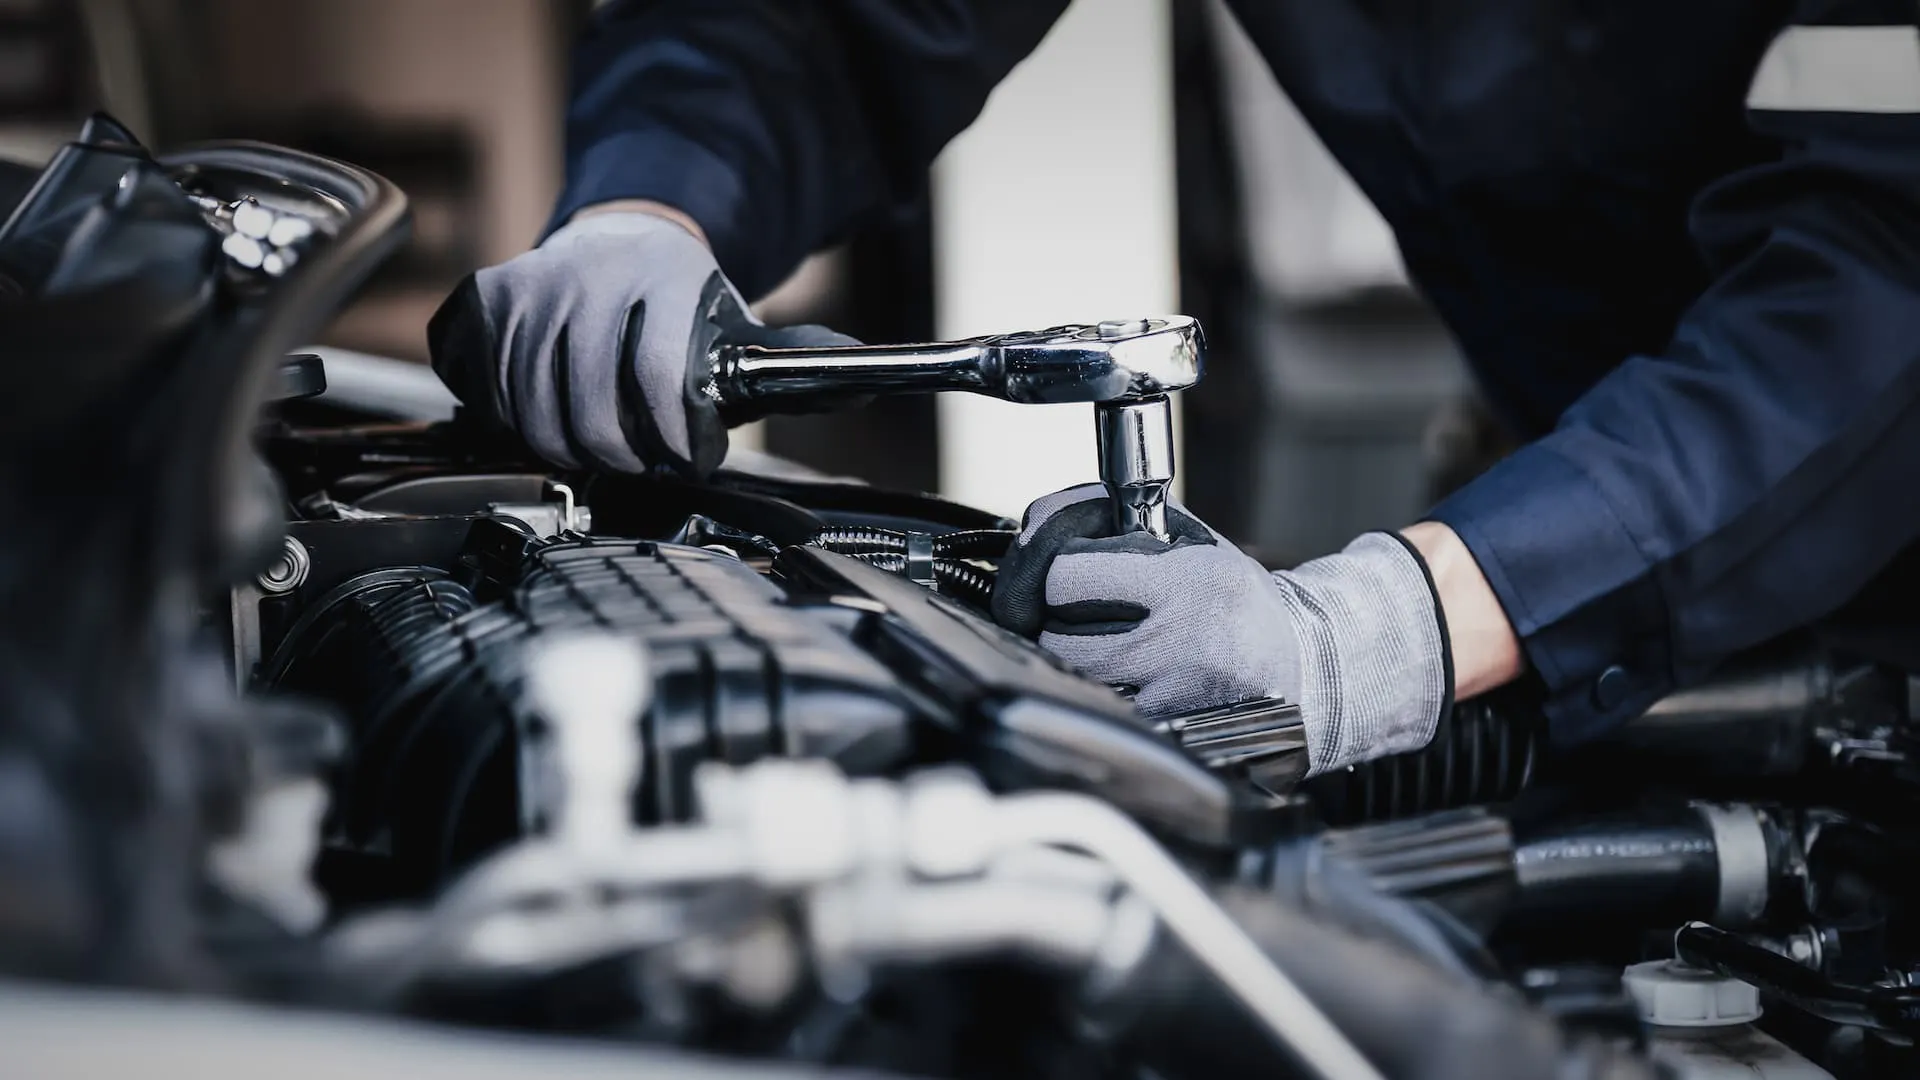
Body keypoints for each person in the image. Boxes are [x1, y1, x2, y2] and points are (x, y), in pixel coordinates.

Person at [429, 2, 1920, 777]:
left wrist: (1391, 629)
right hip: (1587, 519)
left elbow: (1891, 268)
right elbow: (824, 19)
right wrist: (651, 202)